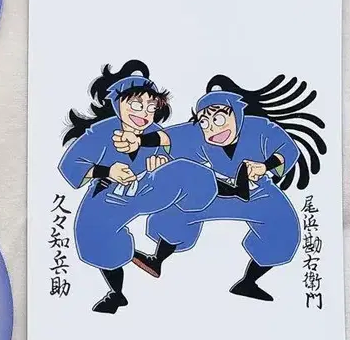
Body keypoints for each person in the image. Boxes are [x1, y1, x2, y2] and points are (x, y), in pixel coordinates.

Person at [138, 77, 324, 301]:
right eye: (204, 122)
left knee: (284, 228)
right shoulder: (199, 133)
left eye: (218, 119)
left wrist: (264, 166)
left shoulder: (259, 128)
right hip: (221, 189)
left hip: (259, 192)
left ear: (236, 114)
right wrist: (138, 141)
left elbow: (286, 149)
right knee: (180, 210)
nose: (212, 128)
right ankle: (156, 260)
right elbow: (165, 138)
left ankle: (248, 282)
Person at [59, 62, 218, 313]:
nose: (144, 113)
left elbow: (176, 150)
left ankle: (159, 255)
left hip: (147, 188)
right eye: (136, 104)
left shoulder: (156, 133)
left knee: (185, 175)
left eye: (150, 107)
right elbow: (71, 167)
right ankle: (116, 294)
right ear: (118, 103)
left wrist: (162, 162)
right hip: (109, 196)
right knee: (92, 235)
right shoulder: (100, 133)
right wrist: (106, 171)